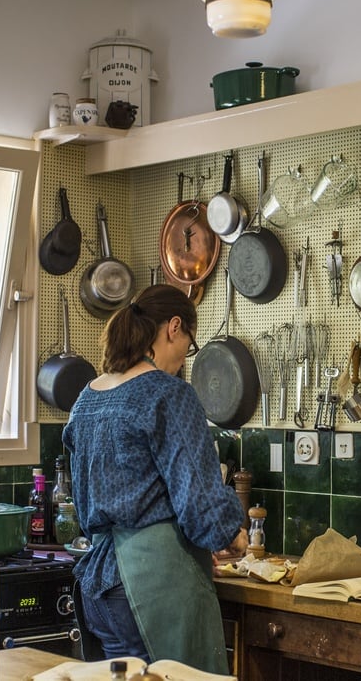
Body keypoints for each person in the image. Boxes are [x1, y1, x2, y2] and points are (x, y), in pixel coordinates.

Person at [62, 284, 246, 673]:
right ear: (173, 328)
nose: (184, 359)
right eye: (189, 346)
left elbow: (82, 502)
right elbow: (202, 505)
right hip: (151, 590)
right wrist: (231, 532)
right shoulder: (167, 394)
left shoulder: (87, 399)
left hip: (99, 586)